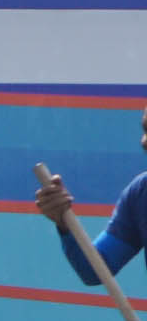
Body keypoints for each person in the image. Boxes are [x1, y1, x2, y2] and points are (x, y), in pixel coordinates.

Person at [30, 110, 147, 297]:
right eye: (144, 129)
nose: (144, 141)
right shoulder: (141, 193)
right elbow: (95, 270)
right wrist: (64, 222)